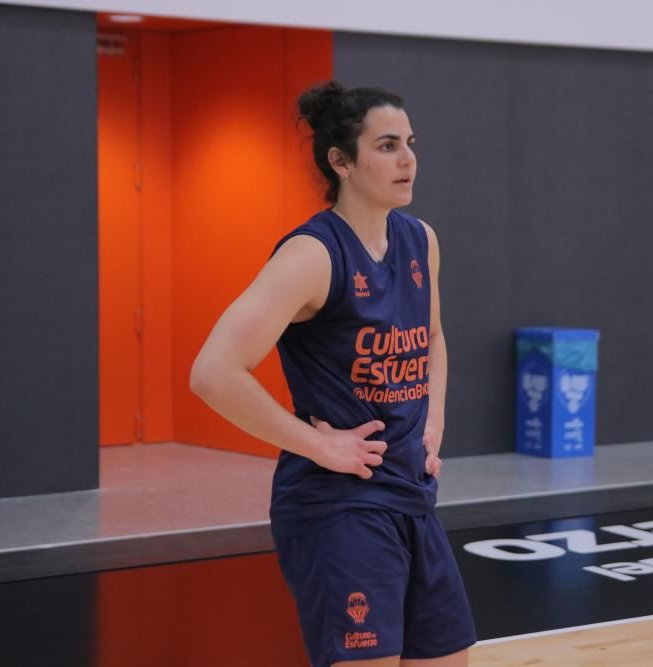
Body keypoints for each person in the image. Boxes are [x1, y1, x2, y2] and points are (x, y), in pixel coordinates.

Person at [189, 81, 477, 667]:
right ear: (341, 161)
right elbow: (213, 371)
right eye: (388, 145)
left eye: (411, 143)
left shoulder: (421, 240)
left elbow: (435, 340)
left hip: (411, 493)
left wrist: (433, 423)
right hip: (337, 504)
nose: (408, 159)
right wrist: (317, 444)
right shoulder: (312, 256)